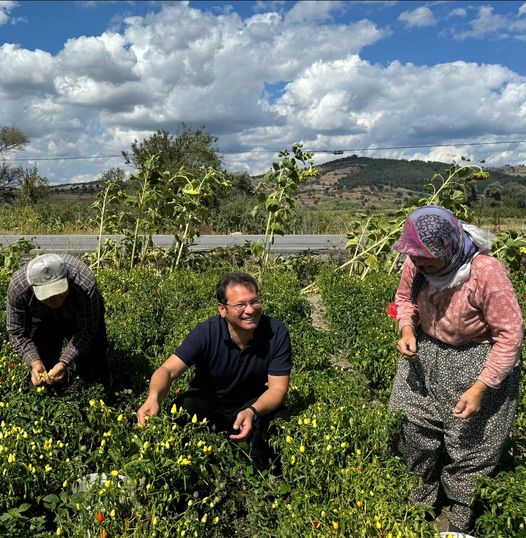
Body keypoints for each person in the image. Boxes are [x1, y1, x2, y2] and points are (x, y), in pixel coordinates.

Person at [388, 205, 523, 534]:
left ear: (448, 248)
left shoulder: (485, 273)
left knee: (470, 444)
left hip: (475, 362)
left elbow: (509, 335)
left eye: (426, 261)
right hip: (425, 354)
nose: (420, 266)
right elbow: (404, 298)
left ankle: (458, 511)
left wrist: (481, 388)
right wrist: (407, 329)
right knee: (410, 427)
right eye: (416, 260)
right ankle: (415, 503)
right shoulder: (416, 261)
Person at [137, 272, 292, 461]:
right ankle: (193, 467)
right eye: (241, 305)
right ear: (222, 309)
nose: (250, 310)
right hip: (210, 406)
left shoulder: (275, 332)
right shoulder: (207, 333)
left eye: (255, 302)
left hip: (251, 406)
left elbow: (278, 388)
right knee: (184, 407)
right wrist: (153, 398)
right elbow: (167, 371)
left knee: (280, 419)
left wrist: (252, 411)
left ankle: (265, 473)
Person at [7, 253, 109, 388]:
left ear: (67, 279)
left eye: (60, 291)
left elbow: (87, 329)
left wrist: (64, 361)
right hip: (42, 316)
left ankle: (93, 386)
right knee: (43, 369)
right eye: (47, 295)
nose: (56, 299)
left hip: (78, 313)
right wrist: (35, 362)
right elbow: (17, 332)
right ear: (33, 288)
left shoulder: (83, 282)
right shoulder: (19, 288)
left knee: (93, 360)